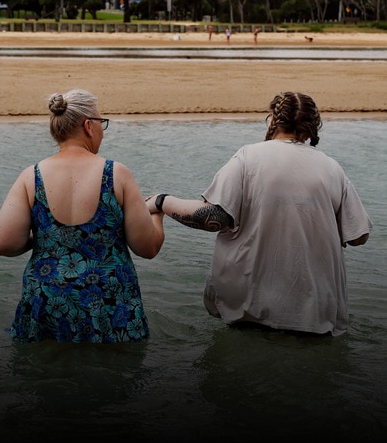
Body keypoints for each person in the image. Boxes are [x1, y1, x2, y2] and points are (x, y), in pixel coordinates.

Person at [146, 91, 373, 337]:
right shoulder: (332, 168)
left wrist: (162, 201)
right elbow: (358, 236)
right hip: (316, 317)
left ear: (272, 120)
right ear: (312, 126)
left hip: (252, 312)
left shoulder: (248, 157)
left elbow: (214, 218)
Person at [0, 89, 165, 344]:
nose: (103, 131)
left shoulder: (31, 176)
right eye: (101, 123)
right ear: (88, 126)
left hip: (46, 300)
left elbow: (3, 243)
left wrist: (46, 233)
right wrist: (157, 214)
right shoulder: (116, 173)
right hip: (109, 303)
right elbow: (147, 248)